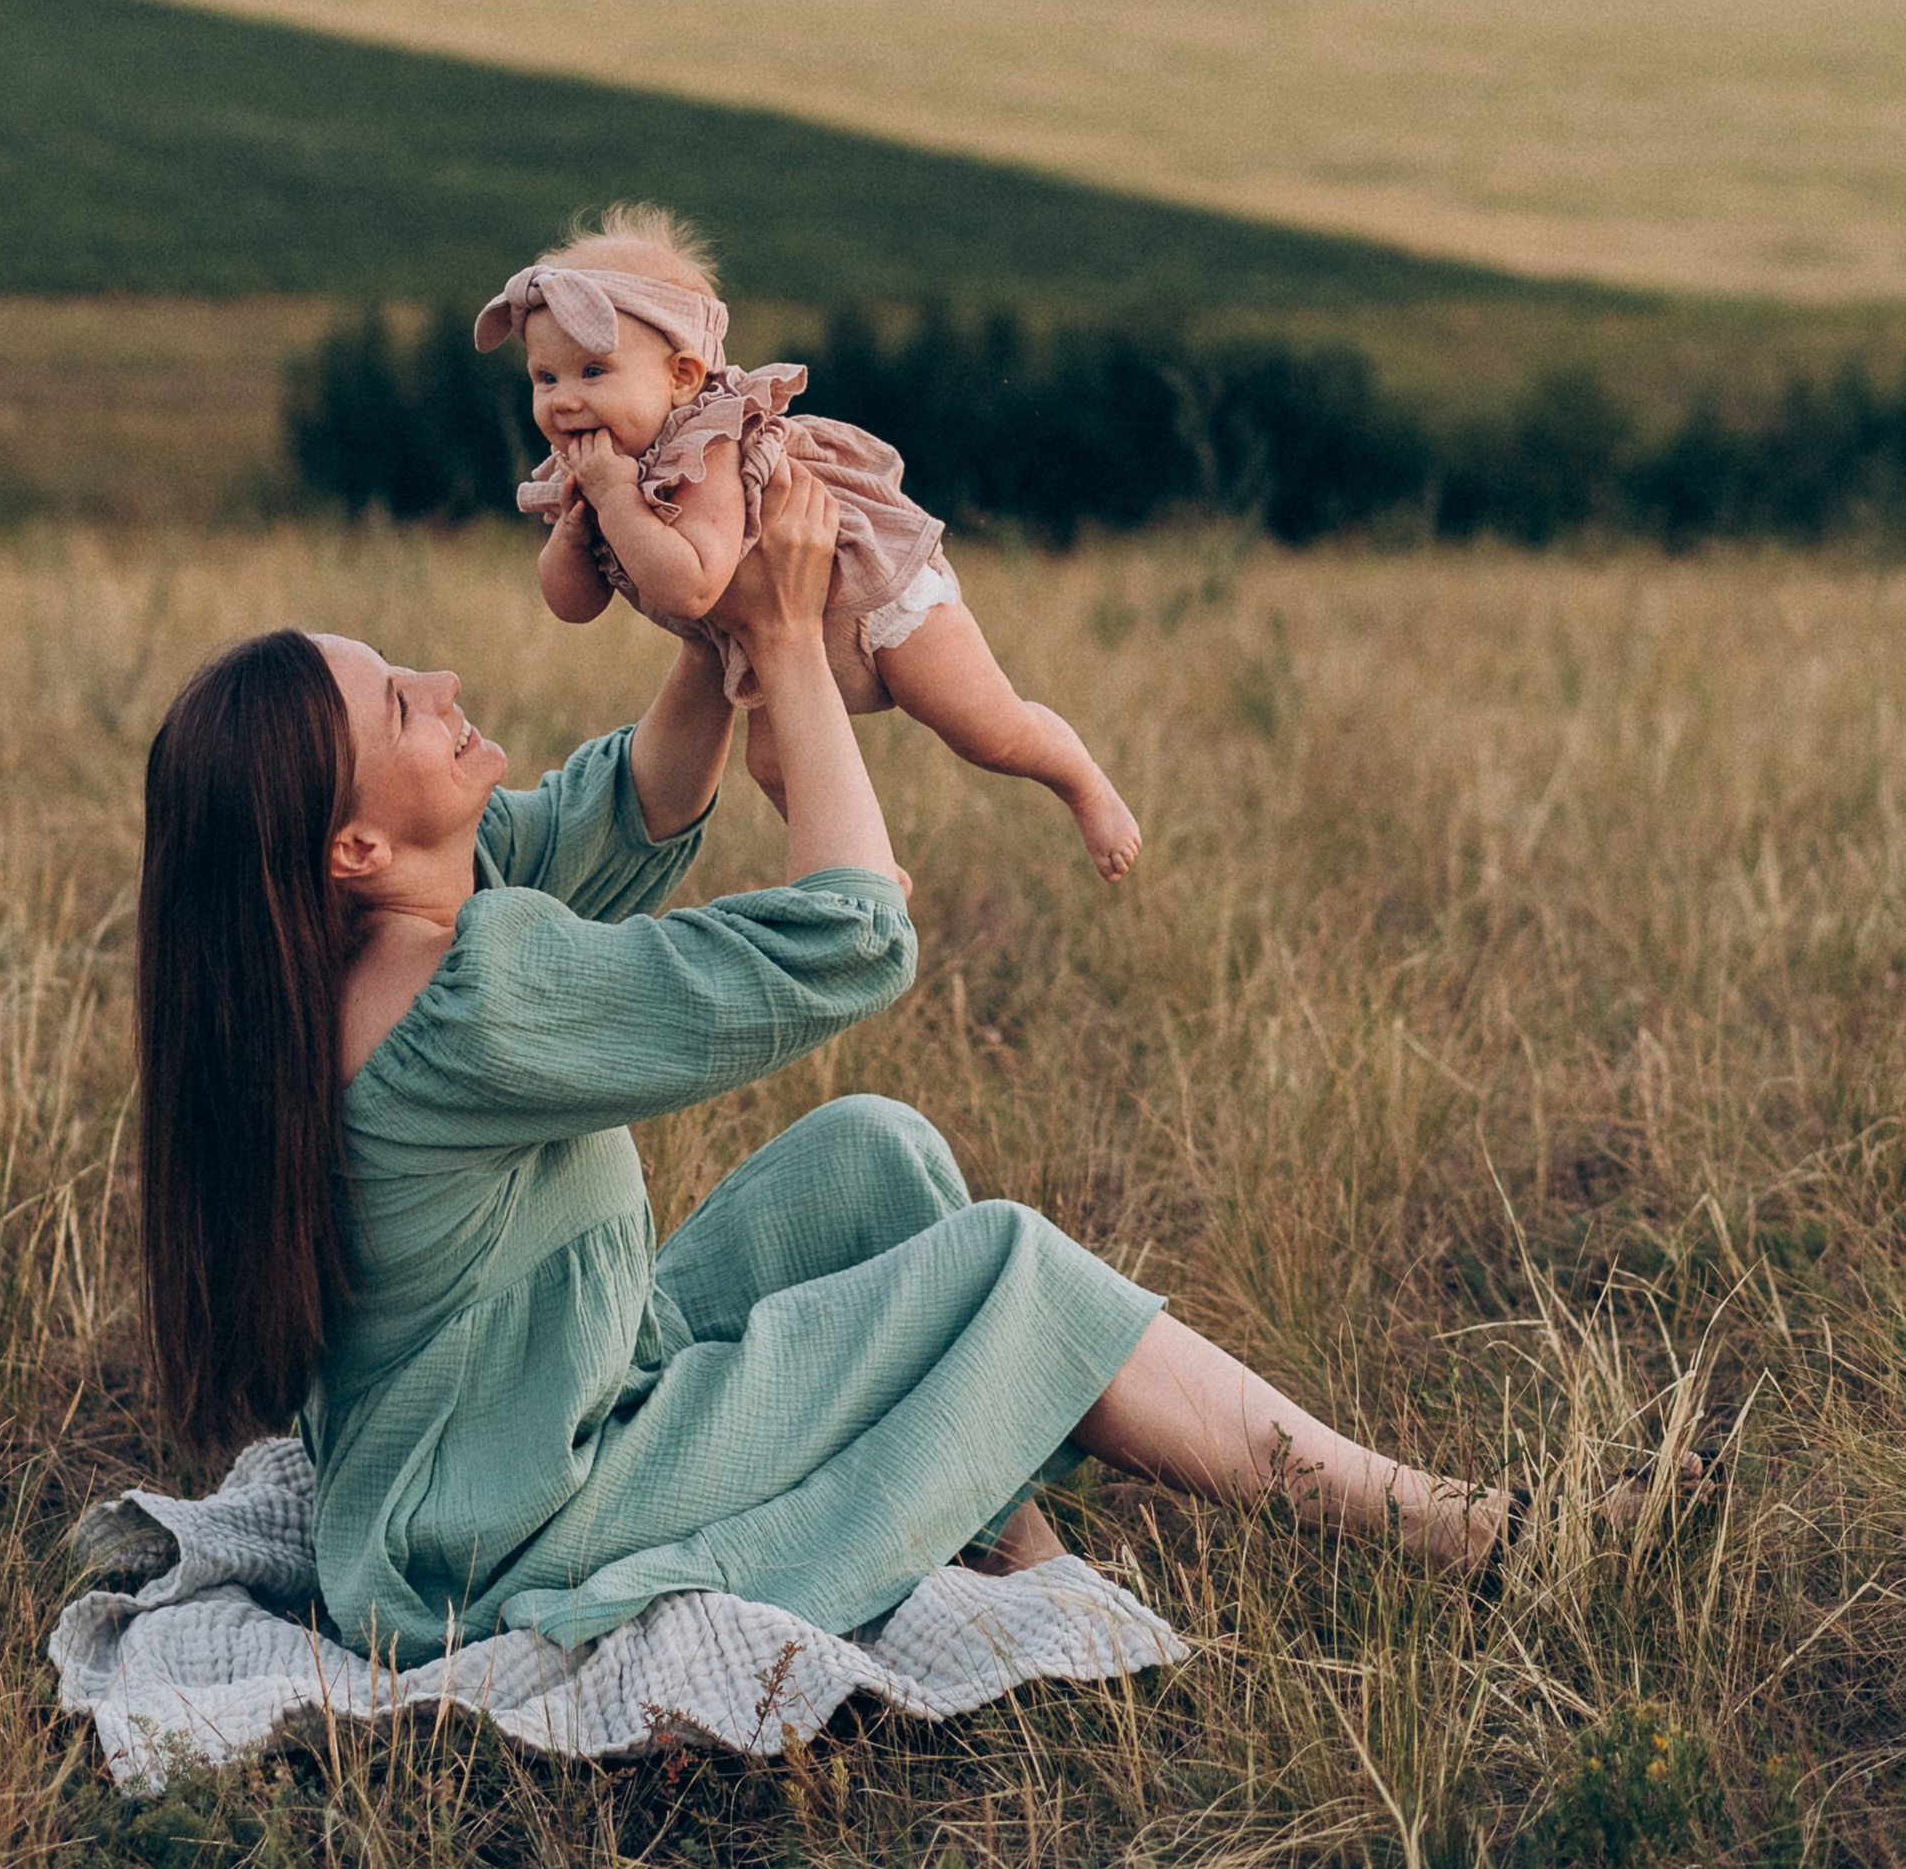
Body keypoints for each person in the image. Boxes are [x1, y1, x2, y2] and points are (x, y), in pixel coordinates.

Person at [136, 455, 1556, 1665]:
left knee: (872, 1154)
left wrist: (713, 623)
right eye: (398, 706)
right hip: (514, 1530)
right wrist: (799, 648)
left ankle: (1009, 1552)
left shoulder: (355, 942)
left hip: (484, 1455)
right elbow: (849, 936)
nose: (439, 679)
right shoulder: (467, 998)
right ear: (354, 850)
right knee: (1012, 1266)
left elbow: (621, 812)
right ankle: (1462, 1532)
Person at [476, 204, 1141, 881]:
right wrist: (574, 532)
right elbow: (573, 606)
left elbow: (694, 584)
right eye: (544, 377)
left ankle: (1081, 781)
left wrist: (618, 500)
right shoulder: (596, 474)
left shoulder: (708, 449)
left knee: (988, 729)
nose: (562, 401)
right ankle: (865, 862)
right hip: (779, 639)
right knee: (767, 765)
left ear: (681, 376)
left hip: (874, 604)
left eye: (593, 372)